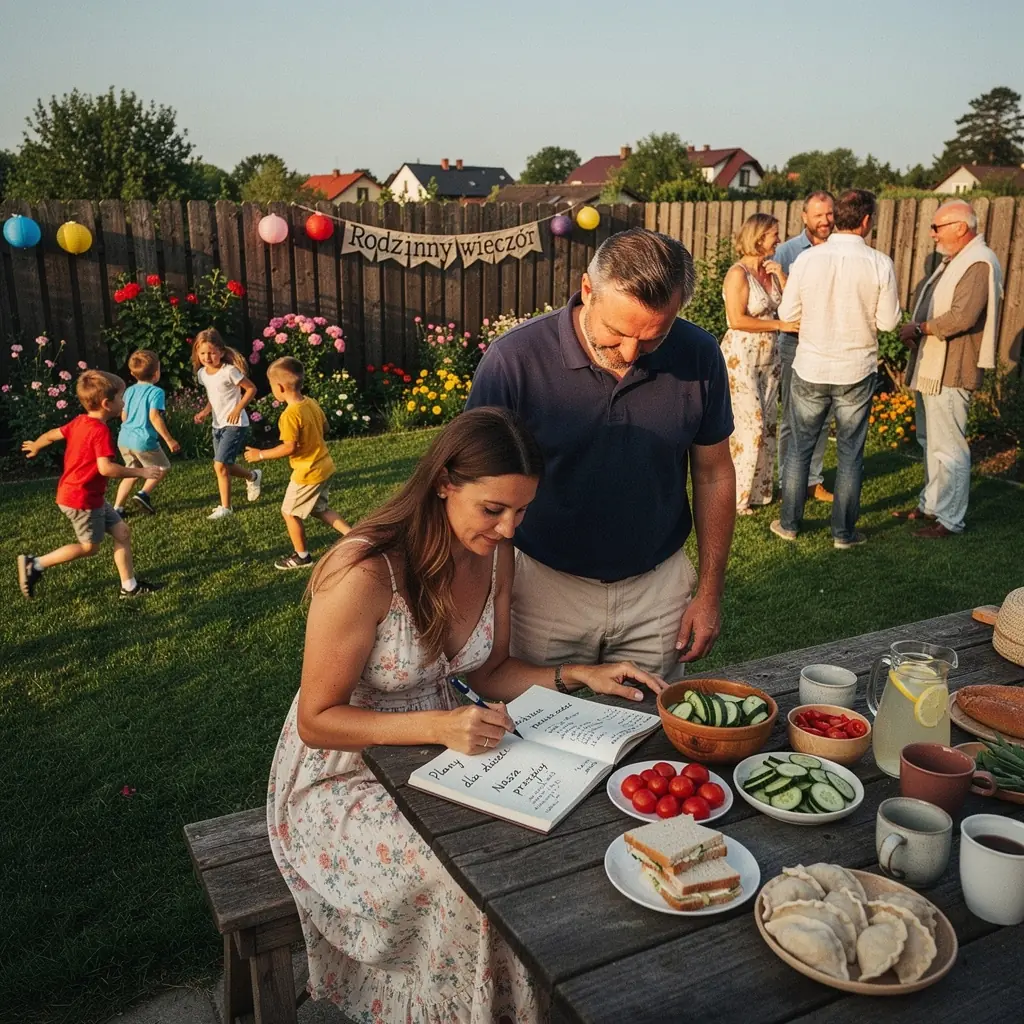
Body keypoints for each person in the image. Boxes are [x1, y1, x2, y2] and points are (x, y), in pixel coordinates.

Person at [268, 407, 666, 1023]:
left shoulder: (498, 557)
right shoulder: (364, 571)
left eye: (521, 512)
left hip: (447, 752)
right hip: (343, 774)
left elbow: (489, 673)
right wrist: (437, 726)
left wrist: (578, 674)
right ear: (444, 483)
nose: (508, 529)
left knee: (526, 855)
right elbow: (317, 720)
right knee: (472, 883)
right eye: (493, 509)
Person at [466, 228, 735, 679]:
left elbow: (714, 474)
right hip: (543, 586)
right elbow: (473, 485)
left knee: (650, 719)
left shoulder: (699, 354)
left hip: (657, 589)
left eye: (653, 338)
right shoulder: (514, 360)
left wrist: (709, 592)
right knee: (538, 718)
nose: (630, 352)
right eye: (617, 332)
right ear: (588, 290)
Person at [772, 189, 901, 549]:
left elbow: (787, 313)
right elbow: (889, 322)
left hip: (811, 365)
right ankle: (843, 533)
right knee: (850, 454)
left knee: (799, 448)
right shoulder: (879, 263)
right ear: (866, 220)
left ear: (837, 216)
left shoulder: (807, 260)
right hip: (855, 369)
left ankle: (789, 524)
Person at [894, 199, 1003, 539]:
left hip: (953, 368)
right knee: (930, 441)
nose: (933, 234)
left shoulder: (979, 261)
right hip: (933, 366)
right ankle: (931, 504)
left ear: (960, 227)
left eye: (937, 227)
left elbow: (962, 316)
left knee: (950, 447)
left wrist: (920, 328)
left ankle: (951, 519)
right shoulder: (956, 260)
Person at [16, 370, 164, 600]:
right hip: (81, 499)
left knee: (122, 533)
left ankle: (129, 587)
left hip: (86, 495)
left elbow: (53, 434)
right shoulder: (100, 431)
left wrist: (36, 444)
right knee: (89, 548)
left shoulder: (80, 421)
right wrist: (141, 471)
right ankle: (34, 564)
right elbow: (106, 468)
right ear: (107, 404)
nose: (124, 402)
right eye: (121, 398)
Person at [721, 214, 798, 514]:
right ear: (758, 236)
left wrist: (782, 276)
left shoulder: (770, 270)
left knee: (766, 425)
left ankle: (759, 492)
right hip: (742, 357)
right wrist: (779, 325)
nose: (778, 239)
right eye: (774, 234)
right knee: (750, 425)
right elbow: (736, 320)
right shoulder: (738, 274)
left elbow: (791, 306)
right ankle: (736, 496)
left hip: (770, 358)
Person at [243, 356, 351, 568]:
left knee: (289, 512)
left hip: (307, 473)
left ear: (280, 388)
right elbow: (325, 427)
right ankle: (352, 534)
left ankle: (302, 557)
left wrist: (260, 455)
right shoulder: (311, 403)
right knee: (319, 509)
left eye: (272, 385)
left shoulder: (290, 415)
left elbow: (289, 447)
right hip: (324, 466)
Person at [773, 191, 836, 502]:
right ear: (804, 217)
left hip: (830, 347)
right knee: (791, 418)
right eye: (818, 215)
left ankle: (812, 479)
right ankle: (787, 480)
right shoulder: (787, 252)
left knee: (822, 417)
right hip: (794, 345)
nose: (825, 220)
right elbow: (778, 305)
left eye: (829, 214)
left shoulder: (840, 251)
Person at [191, 328, 262, 520]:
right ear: (197, 353)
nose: (207, 357)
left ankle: (226, 508)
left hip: (235, 424)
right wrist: (205, 412)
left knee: (220, 465)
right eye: (203, 353)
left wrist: (238, 409)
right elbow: (214, 397)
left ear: (221, 352)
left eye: (212, 353)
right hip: (217, 425)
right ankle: (253, 476)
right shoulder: (202, 374)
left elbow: (251, 389)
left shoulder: (229, 371)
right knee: (225, 465)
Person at [112, 349, 180, 516]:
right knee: (163, 466)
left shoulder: (129, 391)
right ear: (156, 373)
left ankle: (117, 508)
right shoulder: (156, 392)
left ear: (132, 373)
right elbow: (154, 417)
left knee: (131, 472)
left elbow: (123, 416)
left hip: (124, 439)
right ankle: (143, 494)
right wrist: (169, 440)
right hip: (143, 440)